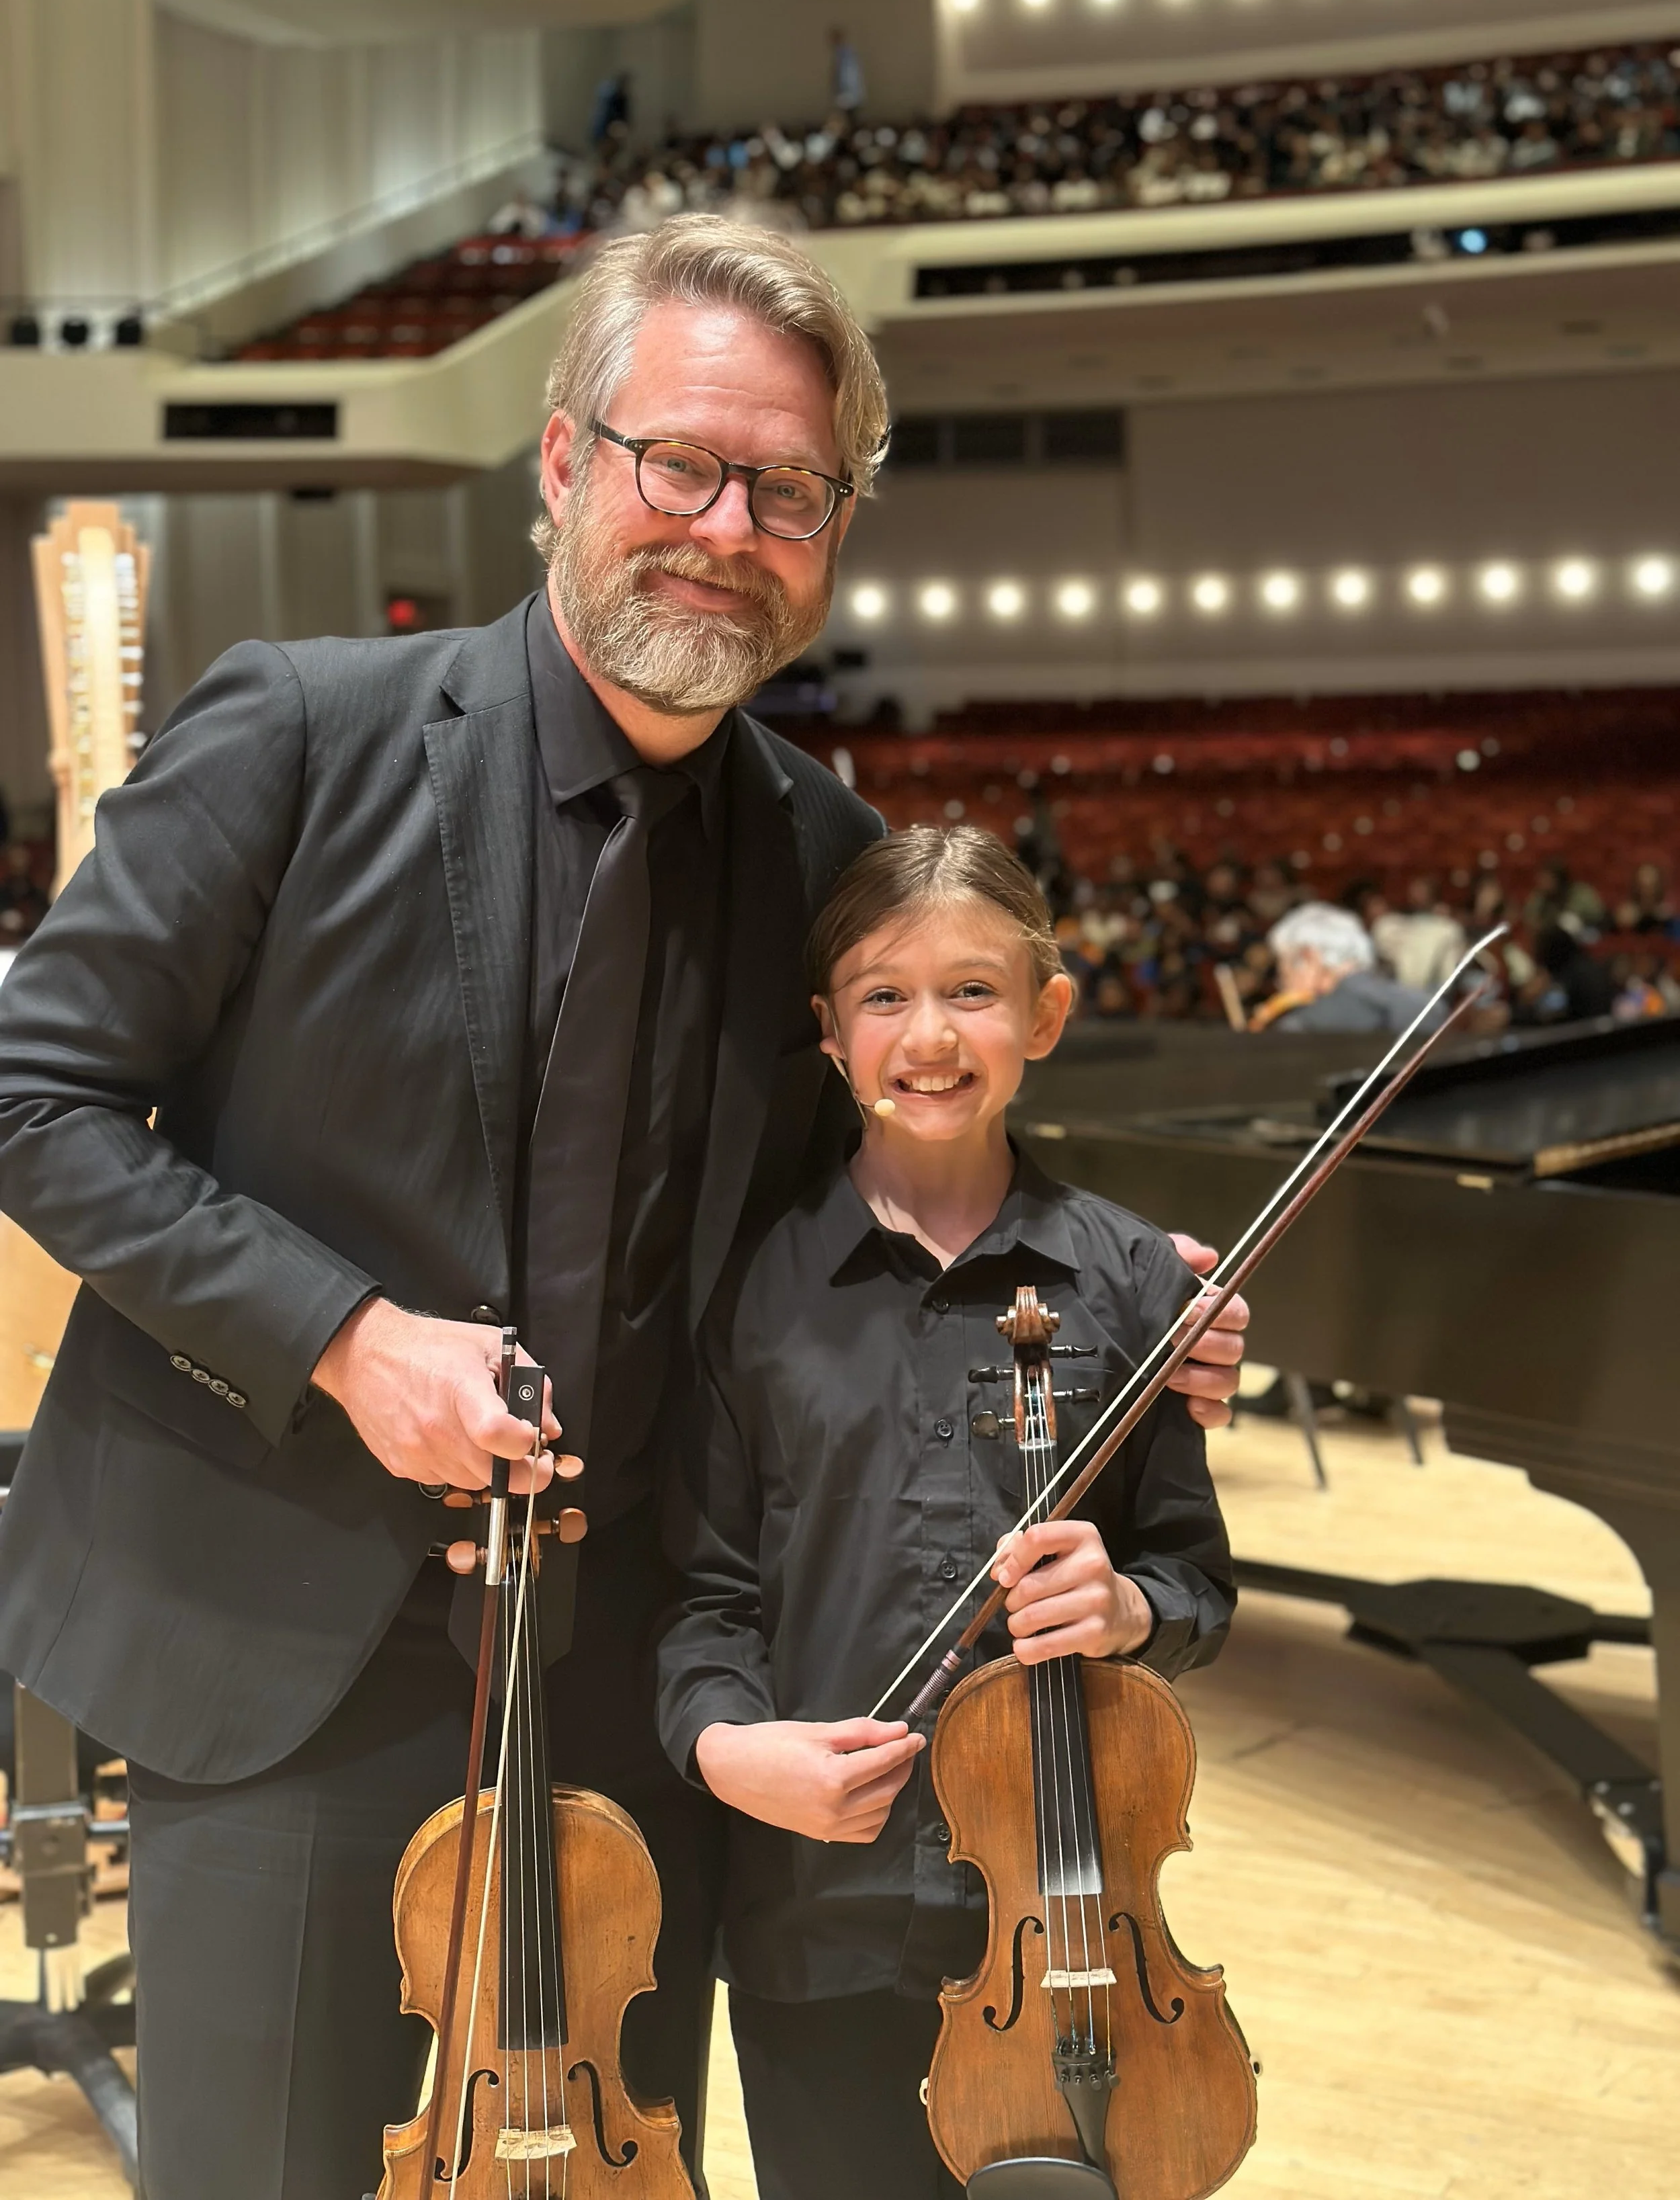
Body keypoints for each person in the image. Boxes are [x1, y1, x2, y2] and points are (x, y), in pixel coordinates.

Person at [0, 215, 1245, 2199]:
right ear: (567, 460)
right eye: (680, 462)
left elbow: (871, 1195)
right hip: (285, 1626)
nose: (724, 528)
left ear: (832, 527)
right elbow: (37, 1094)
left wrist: (1111, 1287)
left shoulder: (820, 847)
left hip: (630, 1671)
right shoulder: (303, 732)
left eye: (785, 489)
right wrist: (344, 1337)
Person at [658, 827, 1237, 2200]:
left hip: (1074, 1920)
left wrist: (1127, 1605)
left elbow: (1196, 1584)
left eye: (973, 990)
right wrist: (728, 1747)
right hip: (818, 1910)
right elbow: (702, 1595)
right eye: (884, 994)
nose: (929, 1034)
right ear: (828, 1030)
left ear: (1044, 1012)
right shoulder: (747, 1289)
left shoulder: (1129, 1283)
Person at [1251, 901, 1433, 1031]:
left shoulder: (1302, 1025)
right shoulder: (1427, 1006)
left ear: (1309, 958)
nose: (1282, 988)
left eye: (1284, 976)